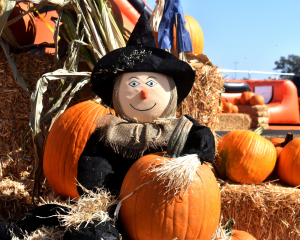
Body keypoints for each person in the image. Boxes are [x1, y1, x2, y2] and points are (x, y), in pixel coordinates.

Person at [0, 11, 215, 240]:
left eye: (151, 83)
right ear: (116, 93)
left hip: (167, 216)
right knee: (88, 233)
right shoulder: (110, 131)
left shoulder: (180, 129)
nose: (143, 91)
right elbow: (93, 167)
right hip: (114, 210)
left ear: (170, 93)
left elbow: (205, 144)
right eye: (133, 83)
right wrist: (97, 200)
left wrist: (190, 158)